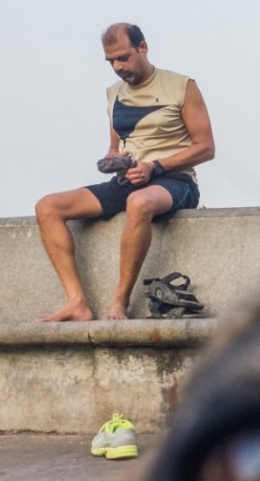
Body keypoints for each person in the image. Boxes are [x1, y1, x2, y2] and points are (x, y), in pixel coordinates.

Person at [35, 24, 214, 321]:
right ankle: (77, 302)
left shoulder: (182, 86)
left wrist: (154, 166)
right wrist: (112, 159)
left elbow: (206, 148)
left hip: (175, 180)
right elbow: (116, 145)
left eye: (123, 57)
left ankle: (120, 301)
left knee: (139, 203)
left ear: (142, 47)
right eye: (111, 61)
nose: (118, 67)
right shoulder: (114, 94)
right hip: (128, 179)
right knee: (48, 207)